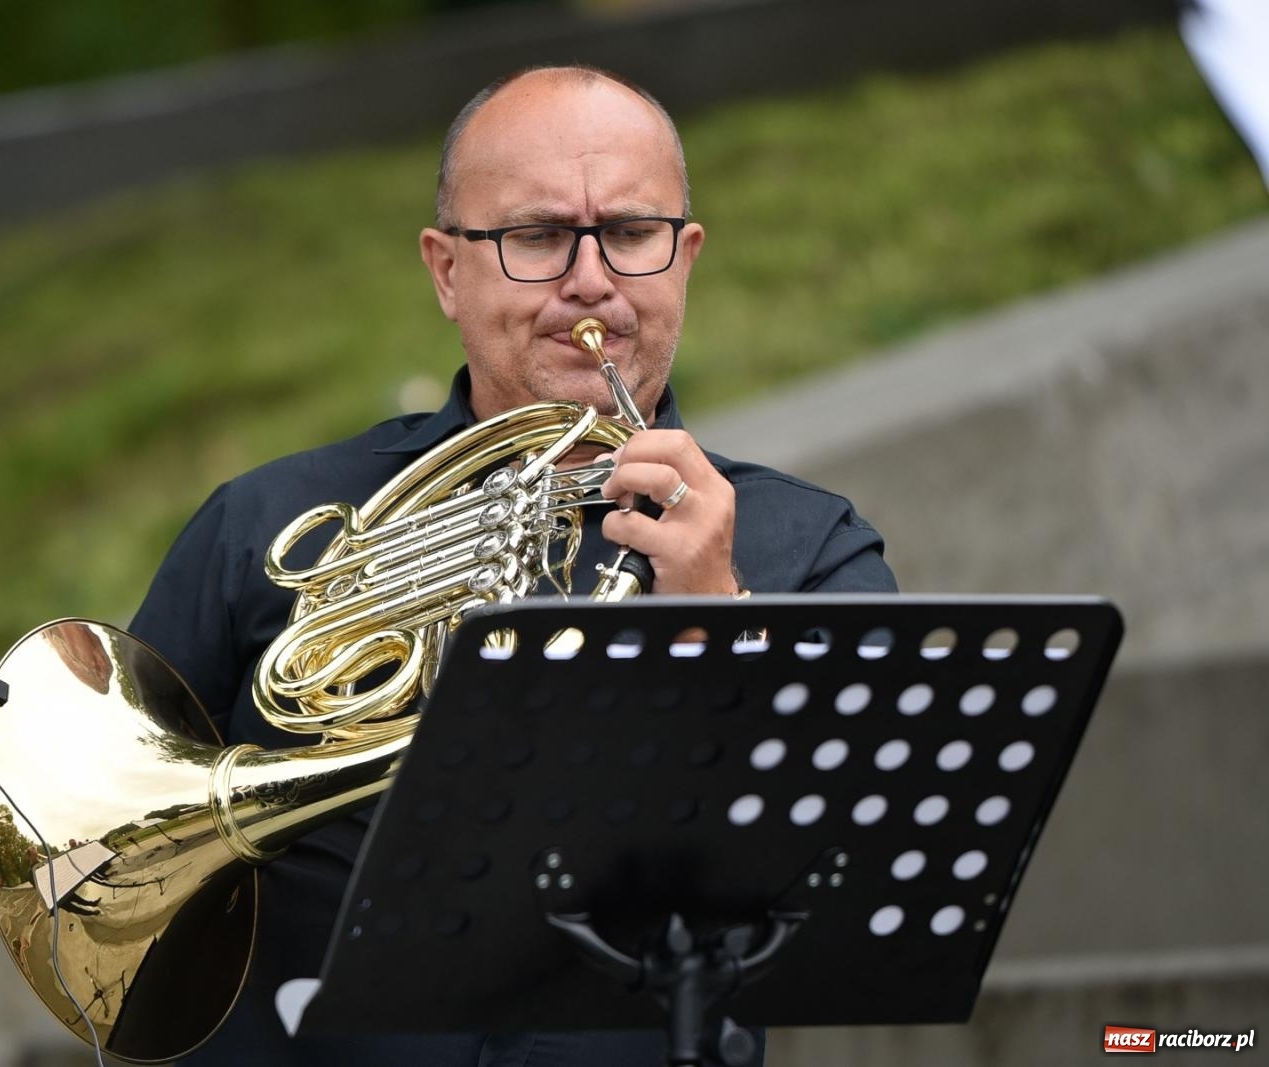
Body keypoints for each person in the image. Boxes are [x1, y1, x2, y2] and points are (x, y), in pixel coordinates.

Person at [130, 64, 895, 1067]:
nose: (591, 280)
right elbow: (129, 849)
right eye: (537, 236)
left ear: (684, 257)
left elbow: (845, 880)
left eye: (631, 232)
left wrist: (721, 617)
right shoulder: (271, 525)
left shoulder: (813, 550)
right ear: (447, 271)